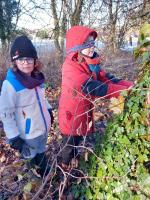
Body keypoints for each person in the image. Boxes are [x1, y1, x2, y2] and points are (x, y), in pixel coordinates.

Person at [58, 25, 133, 169]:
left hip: (83, 111)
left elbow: (108, 80)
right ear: (76, 48)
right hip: (71, 115)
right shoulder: (70, 67)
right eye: (86, 44)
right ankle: (65, 167)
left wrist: (130, 86)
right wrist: (124, 93)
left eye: (92, 43)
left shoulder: (91, 64)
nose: (91, 47)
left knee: (79, 138)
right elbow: (98, 88)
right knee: (69, 143)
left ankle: (74, 160)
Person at [0, 35, 53, 177]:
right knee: (30, 159)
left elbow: (41, 98)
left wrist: (48, 110)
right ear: (14, 62)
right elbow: (6, 114)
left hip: (41, 128)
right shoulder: (10, 84)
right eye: (21, 59)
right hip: (27, 134)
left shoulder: (36, 78)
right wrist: (13, 137)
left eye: (29, 59)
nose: (25, 63)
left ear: (35, 61)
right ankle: (33, 182)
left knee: (41, 151)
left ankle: (44, 172)